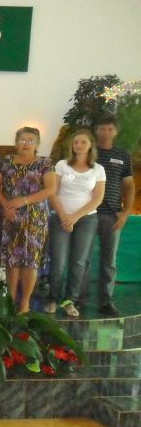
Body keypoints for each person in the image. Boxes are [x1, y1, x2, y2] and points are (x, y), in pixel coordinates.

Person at [0, 127, 55, 313]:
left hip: (35, 219)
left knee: (30, 261)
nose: (26, 144)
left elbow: (50, 189)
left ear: (37, 144)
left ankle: (25, 303)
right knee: (12, 260)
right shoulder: (6, 162)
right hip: (11, 216)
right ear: (16, 142)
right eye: (22, 140)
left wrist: (24, 201)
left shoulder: (45, 163)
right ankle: (10, 301)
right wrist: (6, 206)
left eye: (31, 140)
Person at [47, 128, 105, 317]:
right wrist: (64, 216)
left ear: (90, 146)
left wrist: (74, 217)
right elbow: (52, 193)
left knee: (79, 262)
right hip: (60, 218)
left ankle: (70, 300)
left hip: (86, 219)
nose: (79, 145)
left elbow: (97, 199)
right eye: (76, 142)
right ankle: (53, 298)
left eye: (83, 142)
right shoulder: (62, 165)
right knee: (59, 261)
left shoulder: (98, 169)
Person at [82, 115, 135, 317]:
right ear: (95, 130)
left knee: (109, 260)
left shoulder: (123, 155)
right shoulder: (86, 153)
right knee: (82, 259)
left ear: (116, 131)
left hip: (112, 214)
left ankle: (106, 300)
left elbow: (129, 185)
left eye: (109, 129)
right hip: (86, 214)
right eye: (101, 128)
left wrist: (125, 212)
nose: (105, 132)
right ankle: (79, 299)